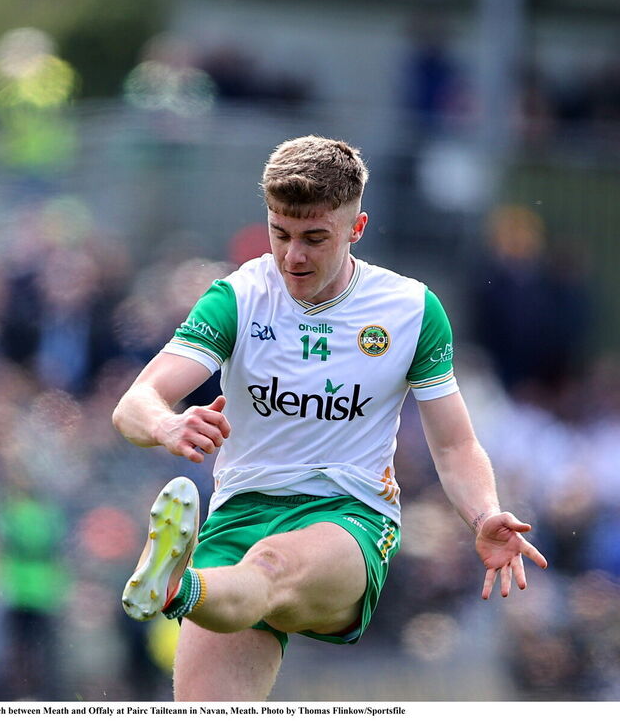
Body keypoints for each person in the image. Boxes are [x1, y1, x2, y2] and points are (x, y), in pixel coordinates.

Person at [112, 135, 547, 700]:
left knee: (270, 567)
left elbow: (455, 446)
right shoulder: (239, 298)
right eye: (280, 234)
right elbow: (134, 404)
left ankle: (176, 587)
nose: (292, 256)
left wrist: (483, 513)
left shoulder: (411, 310)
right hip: (241, 508)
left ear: (356, 229)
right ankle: (182, 586)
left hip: (349, 516)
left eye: (315, 238)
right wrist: (168, 425)